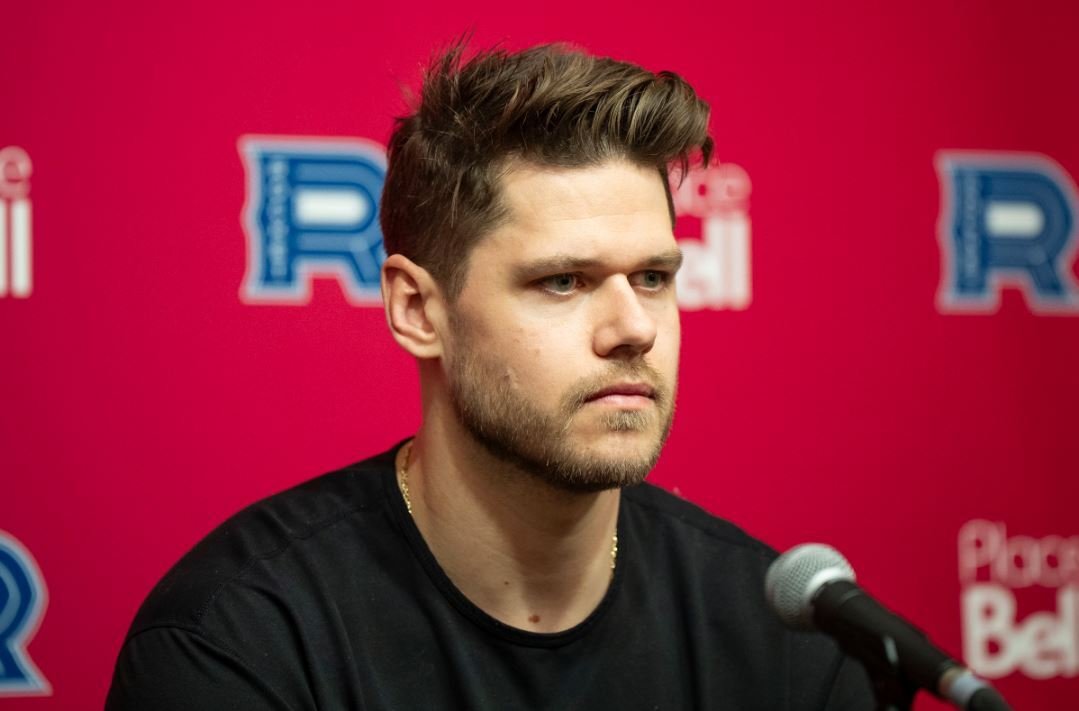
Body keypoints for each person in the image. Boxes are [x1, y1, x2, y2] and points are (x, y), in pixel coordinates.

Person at [106, 43, 873, 709]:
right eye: (562, 281)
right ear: (417, 309)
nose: (634, 328)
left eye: (651, 277)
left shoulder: (783, 643)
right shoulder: (241, 640)